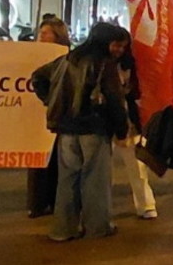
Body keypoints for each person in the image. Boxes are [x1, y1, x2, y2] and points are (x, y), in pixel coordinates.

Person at [32, 22, 131, 242]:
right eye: (116, 44)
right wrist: (122, 130)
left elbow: (38, 77)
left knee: (67, 179)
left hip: (67, 128)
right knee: (96, 179)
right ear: (105, 42)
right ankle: (98, 226)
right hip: (94, 128)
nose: (118, 50)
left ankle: (63, 229)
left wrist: (50, 100)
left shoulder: (68, 59)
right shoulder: (105, 65)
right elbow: (115, 101)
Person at [26, 18, 71, 220]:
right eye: (40, 33)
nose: (41, 36)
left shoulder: (65, 58)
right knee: (36, 161)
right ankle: (36, 203)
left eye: (47, 33)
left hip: (56, 116)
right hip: (33, 117)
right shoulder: (33, 55)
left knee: (55, 161)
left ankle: (53, 201)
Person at [113, 41, 158, 220]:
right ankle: (98, 208)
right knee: (99, 170)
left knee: (137, 166)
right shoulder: (98, 63)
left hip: (128, 120)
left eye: (123, 45)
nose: (118, 48)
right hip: (105, 120)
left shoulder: (133, 65)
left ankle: (146, 204)